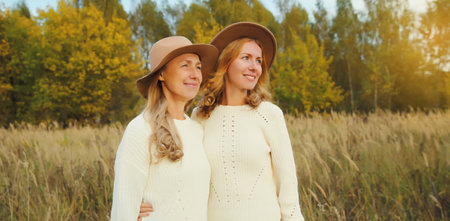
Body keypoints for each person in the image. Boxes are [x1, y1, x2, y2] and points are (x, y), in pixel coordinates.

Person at [139, 22, 305, 221]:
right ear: (226, 63)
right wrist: (145, 203)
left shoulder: (269, 115)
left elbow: (288, 189)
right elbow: (182, 175)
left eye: (259, 61)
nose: (255, 67)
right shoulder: (199, 116)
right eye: (246, 58)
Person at [110, 36, 218, 221]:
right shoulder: (141, 129)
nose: (195, 74)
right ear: (161, 74)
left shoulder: (197, 129)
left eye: (198, 66)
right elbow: (123, 208)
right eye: (185, 65)